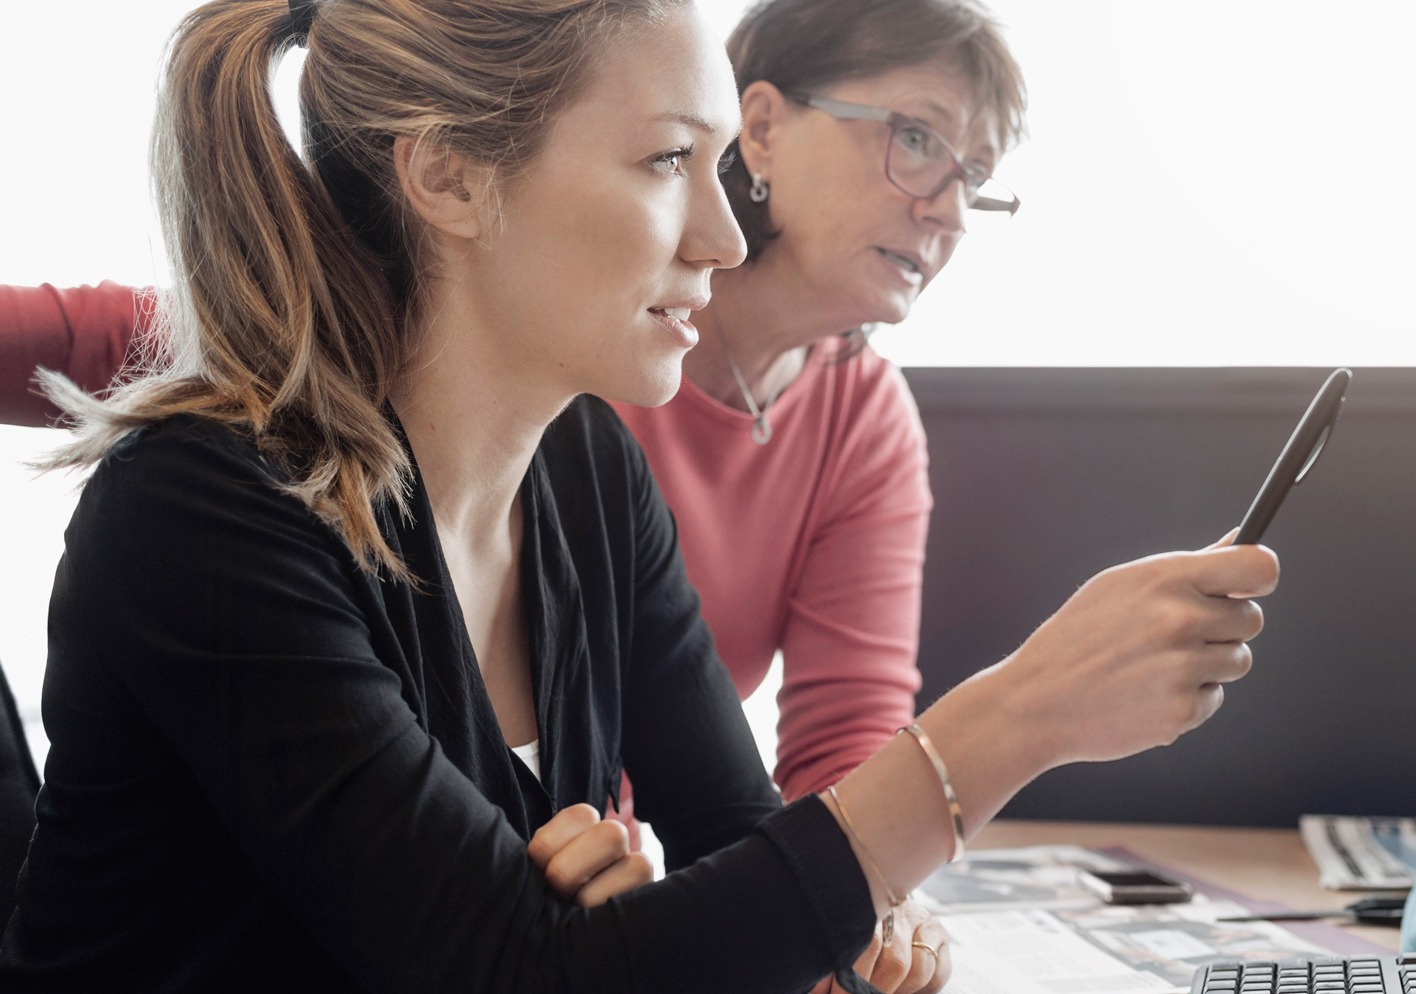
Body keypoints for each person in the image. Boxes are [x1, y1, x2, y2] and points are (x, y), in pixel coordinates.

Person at [0, 1, 1280, 994]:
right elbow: (526, 979)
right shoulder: (203, 513)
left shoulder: (587, 471)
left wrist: (707, 916)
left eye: (721, 168)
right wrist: (1020, 714)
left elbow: (734, 846)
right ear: (448, 179)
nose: (724, 239)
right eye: (671, 159)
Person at [0, 0, 1024, 813]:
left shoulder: (803, 425)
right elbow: (192, 344)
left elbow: (812, 766)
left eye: (973, 173)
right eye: (917, 139)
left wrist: (855, 914)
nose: (946, 204)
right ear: (763, 126)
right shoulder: (503, 327)